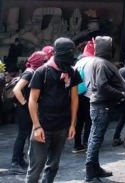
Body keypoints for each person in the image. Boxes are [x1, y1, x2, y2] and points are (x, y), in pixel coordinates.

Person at [26, 38, 81, 183]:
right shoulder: (42, 72)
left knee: (53, 165)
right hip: (43, 126)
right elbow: (32, 100)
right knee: (36, 166)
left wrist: (72, 124)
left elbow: (74, 99)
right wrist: (37, 126)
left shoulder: (72, 72)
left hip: (62, 127)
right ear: (56, 53)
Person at [85, 36, 125, 183]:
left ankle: (95, 167)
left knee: (96, 137)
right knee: (95, 138)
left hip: (103, 105)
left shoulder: (102, 62)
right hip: (101, 106)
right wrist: (120, 94)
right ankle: (90, 174)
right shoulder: (101, 63)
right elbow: (102, 86)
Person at [9, 51, 48, 174]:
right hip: (24, 109)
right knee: (23, 134)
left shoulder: (33, 71)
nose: (46, 62)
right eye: (44, 60)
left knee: (26, 134)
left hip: (25, 108)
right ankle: (15, 163)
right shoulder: (30, 72)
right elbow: (17, 89)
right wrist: (25, 104)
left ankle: (20, 160)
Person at [73, 40, 95, 153]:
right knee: (89, 120)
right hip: (89, 94)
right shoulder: (94, 61)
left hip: (78, 94)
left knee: (80, 120)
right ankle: (87, 143)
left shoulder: (79, 61)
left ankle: (77, 145)